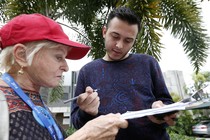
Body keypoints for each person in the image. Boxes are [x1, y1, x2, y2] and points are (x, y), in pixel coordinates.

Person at [0, 13, 128, 140]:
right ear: (22, 55)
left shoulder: (33, 100)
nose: (66, 67)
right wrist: (85, 136)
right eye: (58, 57)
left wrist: (86, 114)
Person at [71, 7, 177, 140]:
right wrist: (85, 112)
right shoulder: (87, 71)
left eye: (128, 40)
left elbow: (168, 104)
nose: (119, 45)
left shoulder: (148, 63)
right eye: (115, 36)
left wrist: (161, 112)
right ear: (104, 31)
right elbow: (76, 123)